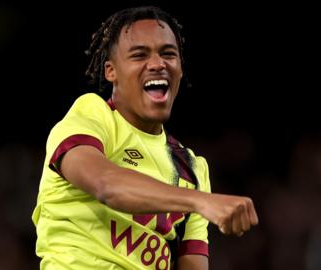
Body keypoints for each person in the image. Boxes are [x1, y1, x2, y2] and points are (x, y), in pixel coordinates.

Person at [32, 6, 258, 270]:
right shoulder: (93, 117)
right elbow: (106, 184)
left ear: (180, 69)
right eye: (139, 55)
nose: (157, 64)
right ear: (111, 71)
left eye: (168, 54)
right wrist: (201, 202)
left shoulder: (193, 169)